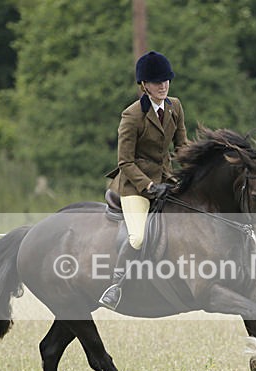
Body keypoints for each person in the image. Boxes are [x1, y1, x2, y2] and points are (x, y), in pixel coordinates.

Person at [99, 51, 188, 310]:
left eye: (166, 80)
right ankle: (115, 286)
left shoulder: (175, 106)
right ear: (144, 85)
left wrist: (194, 171)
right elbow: (125, 162)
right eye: (157, 82)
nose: (163, 86)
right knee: (138, 237)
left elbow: (182, 147)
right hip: (135, 186)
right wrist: (148, 185)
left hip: (166, 180)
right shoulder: (132, 115)